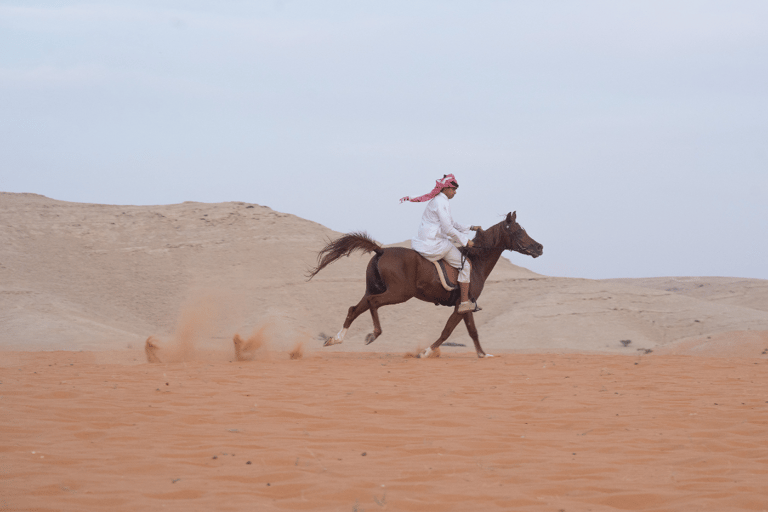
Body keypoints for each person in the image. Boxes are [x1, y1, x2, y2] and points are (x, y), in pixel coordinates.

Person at [400, 174, 481, 313]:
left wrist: (471, 227)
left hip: (426, 241)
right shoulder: (441, 202)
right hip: (434, 244)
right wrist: (465, 241)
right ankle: (464, 302)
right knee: (465, 265)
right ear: (445, 188)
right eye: (453, 189)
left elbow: (452, 223)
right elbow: (448, 229)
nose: (455, 192)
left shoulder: (439, 201)